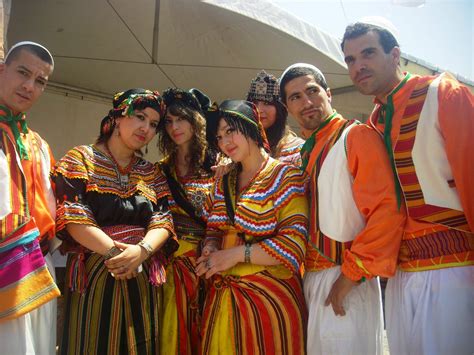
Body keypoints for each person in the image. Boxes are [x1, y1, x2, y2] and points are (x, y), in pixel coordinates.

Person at [341, 19, 474, 355]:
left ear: (395, 54)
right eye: (350, 60)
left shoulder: (443, 95)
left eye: (367, 53)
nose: (358, 66)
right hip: (399, 277)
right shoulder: (370, 125)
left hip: (454, 272)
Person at [280, 63, 405, 355]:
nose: (306, 102)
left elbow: (387, 211)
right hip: (313, 281)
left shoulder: (355, 136)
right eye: (295, 97)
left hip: (346, 280)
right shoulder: (306, 151)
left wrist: (348, 278)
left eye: (312, 90)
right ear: (287, 107)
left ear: (329, 93)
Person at [54, 88, 177, 354]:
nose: (146, 128)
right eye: (140, 117)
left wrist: (141, 252)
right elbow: (73, 215)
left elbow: (164, 219)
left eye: (153, 124)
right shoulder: (80, 159)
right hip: (97, 269)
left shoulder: (151, 172)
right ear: (118, 117)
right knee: (91, 342)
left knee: (141, 342)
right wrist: (115, 254)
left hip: (140, 270)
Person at [195, 100, 309, 354]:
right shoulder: (224, 179)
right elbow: (214, 228)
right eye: (219, 136)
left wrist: (234, 255)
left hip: (269, 299)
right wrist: (211, 247)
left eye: (231, 130)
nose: (225, 142)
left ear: (251, 127)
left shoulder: (285, 176)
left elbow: (293, 243)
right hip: (222, 297)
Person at [0, 41, 60, 354]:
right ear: (2, 70)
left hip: (37, 265)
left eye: (40, 81)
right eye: (23, 72)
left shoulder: (39, 144)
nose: (29, 86)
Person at [157, 87, 216, 354]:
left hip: (207, 263)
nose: (174, 127)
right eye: (168, 121)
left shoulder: (217, 166)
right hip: (168, 265)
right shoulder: (160, 169)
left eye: (180, 118)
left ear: (195, 119)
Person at [246, 69, 304, 165]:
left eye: (267, 103)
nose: (259, 110)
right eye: (255, 103)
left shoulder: (298, 150)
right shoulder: (243, 147)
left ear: (280, 109)